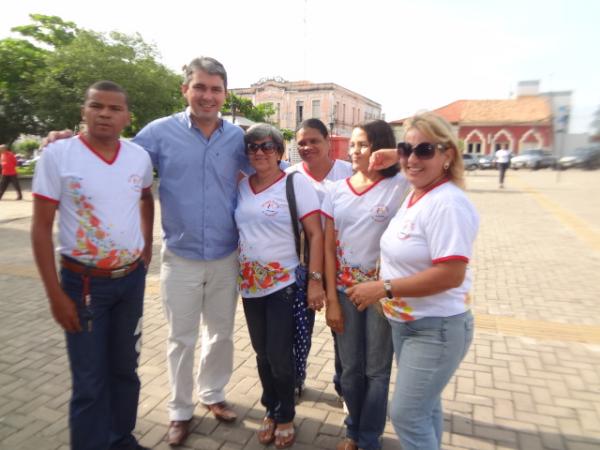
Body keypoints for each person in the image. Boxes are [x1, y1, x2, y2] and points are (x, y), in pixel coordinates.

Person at [43, 56, 248, 447]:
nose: (208, 96)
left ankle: (213, 394)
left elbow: (269, 167)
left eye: (216, 89)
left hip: (225, 255)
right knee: (180, 338)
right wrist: (65, 141)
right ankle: (180, 410)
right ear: (185, 90)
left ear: (224, 94)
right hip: (181, 255)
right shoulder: (158, 133)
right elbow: (113, 155)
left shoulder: (237, 138)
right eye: (200, 87)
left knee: (220, 334)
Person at [31, 81, 154, 450]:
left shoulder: (138, 157)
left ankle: (121, 440)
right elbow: (39, 228)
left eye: (115, 108)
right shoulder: (59, 156)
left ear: (127, 117)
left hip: (130, 282)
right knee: (89, 381)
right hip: (83, 286)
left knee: (125, 371)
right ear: (83, 110)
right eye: (97, 106)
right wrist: (55, 295)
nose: (105, 113)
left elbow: (147, 198)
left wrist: (146, 249)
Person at [348, 112, 479, 450]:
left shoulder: (447, 203)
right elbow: (410, 159)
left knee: (407, 414)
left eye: (425, 151)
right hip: (407, 324)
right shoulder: (418, 189)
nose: (413, 159)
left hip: (435, 327)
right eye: (407, 149)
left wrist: (383, 288)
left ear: (447, 155)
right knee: (426, 408)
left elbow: (451, 274)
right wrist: (401, 153)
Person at [236, 123, 325, 448]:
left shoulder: (294, 183)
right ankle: (270, 410)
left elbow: (316, 234)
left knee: (279, 354)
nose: (259, 152)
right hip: (249, 287)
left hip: (284, 285)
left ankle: (286, 415)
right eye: (253, 147)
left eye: (267, 146)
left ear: (279, 151)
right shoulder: (243, 186)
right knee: (261, 353)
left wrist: (315, 282)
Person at [322, 120, 409, 450]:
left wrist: (398, 154)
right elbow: (329, 247)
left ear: (381, 148)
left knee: (376, 370)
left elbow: (442, 163)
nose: (356, 151)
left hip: (380, 295)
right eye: (353, 145)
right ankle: (352, 429)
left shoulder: (399, 185)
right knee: (350, 369)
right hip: (344, 294)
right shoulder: (337, 190)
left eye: (364, 145)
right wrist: (331, 297)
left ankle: (369, 437)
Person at [286, 118, 352, 400]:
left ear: (328, 142)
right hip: (303, 266)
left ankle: (344, 384)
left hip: (342, 266)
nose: (308, 147)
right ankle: (296, 378)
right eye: (301, 142)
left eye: (314, 140)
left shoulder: (348, 174)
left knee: (343, 331)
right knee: (299, 329)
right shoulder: (290, 176)